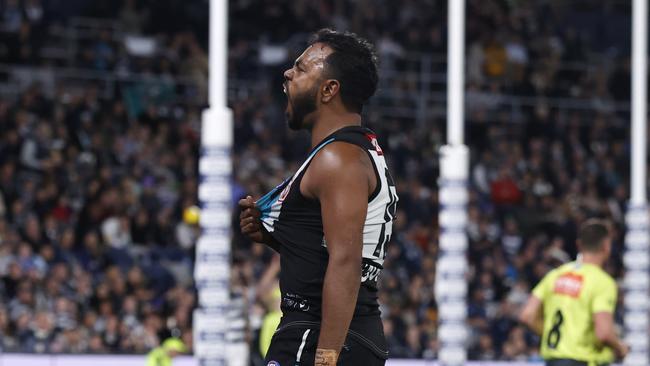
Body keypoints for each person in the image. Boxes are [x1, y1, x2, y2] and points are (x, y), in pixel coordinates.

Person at [239, 28, 398, 366]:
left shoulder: (337, 158)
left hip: (317, 334)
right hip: (343, 332)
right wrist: (274, 238)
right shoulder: (357, 150)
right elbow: (329, 249)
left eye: (301, 68)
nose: (288, 73)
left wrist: (325, 358)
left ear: (329, 90)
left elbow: (345, 262)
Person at [519, 219, 629, 366]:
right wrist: (620, 347)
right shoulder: (603, 282)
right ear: (606, 247)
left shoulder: (556, 275)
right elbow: (603, 333)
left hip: (553, 360)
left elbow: (527, 316)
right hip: (582, 360)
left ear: (579, 245)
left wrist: (557, 336)